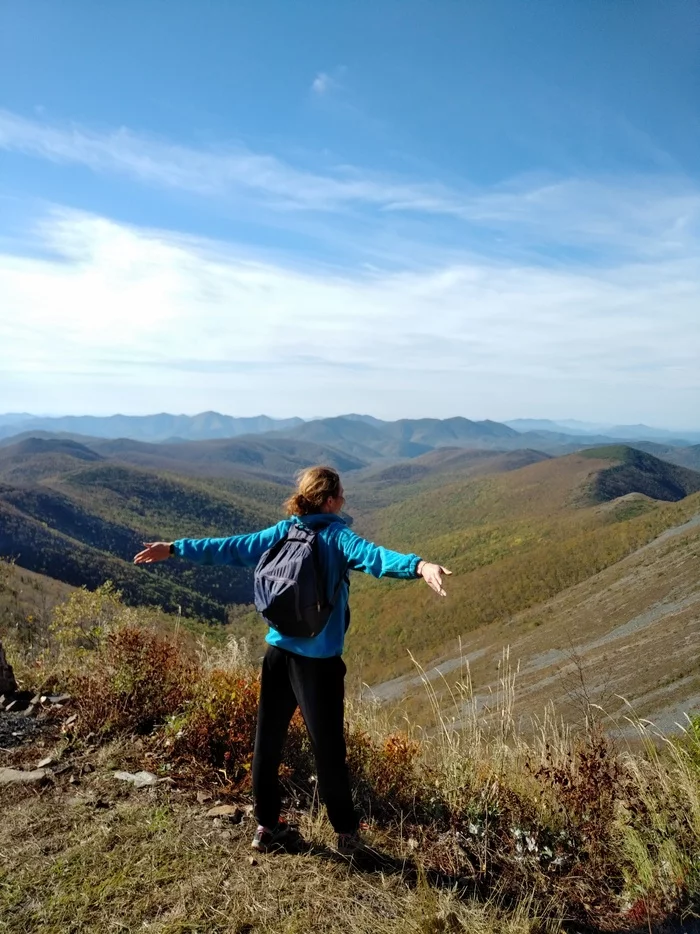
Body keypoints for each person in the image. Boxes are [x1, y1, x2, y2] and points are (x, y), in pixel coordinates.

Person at [133, 465, 451, 855]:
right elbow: (374, 558)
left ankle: (267, 827)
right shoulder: (336, 535)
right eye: (341, 496)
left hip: (277, 654)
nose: (343, 501)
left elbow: (230, 546)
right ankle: (347, 836)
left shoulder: (284, 531)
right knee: (329, 749)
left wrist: (175, 548)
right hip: (318, 665)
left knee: (267, 742)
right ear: (331, 499)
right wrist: (419, 566)